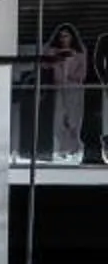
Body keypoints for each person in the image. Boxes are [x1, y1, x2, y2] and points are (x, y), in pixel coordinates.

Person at [47, 24, 89, 166]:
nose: (63, 39)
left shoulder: (80, 53)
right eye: (61, 36)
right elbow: (44, 62)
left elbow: (81, 74)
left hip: (74, 89)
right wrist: (58, 58)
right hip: (58, 89)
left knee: (74, 120)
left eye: (66, 35)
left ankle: (75, 150)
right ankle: (60, 150)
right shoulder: (54, 52)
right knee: (58, 120)